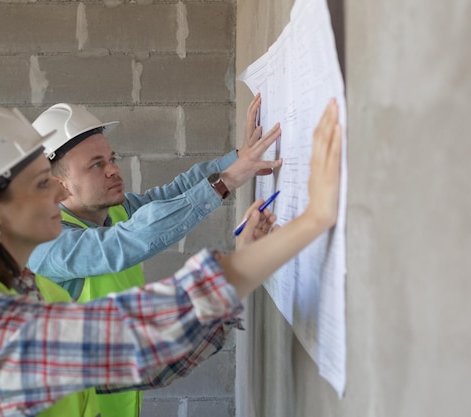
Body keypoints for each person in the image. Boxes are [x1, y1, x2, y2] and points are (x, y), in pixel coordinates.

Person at [0, 99, 342, 416]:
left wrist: (246, 256)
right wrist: (312, 220)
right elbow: (131, 338)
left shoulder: (19, 287)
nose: (61, 193)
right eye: (43, 184)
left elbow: (131, 365)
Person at [27, 95, 281, 417]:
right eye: (96, 165)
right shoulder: (46, 242)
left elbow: (171, 194)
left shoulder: (113, 211)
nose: (113, 170)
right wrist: (225, 182)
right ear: (58, 184)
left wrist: (237, 159)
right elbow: (120, 244)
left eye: (111, 158)